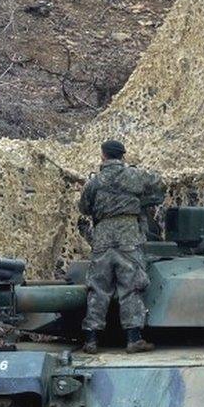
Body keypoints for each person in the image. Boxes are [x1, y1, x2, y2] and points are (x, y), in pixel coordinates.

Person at [77, 139, 163, 354]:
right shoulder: (135, 175)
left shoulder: (94, 182)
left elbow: (84, 208)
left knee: (98, 288)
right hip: (128, 236)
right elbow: (159, 185)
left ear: (103, 156)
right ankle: (133, 339)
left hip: (103, 236)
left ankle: (91, 340)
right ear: (123, 155)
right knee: (131, 286)